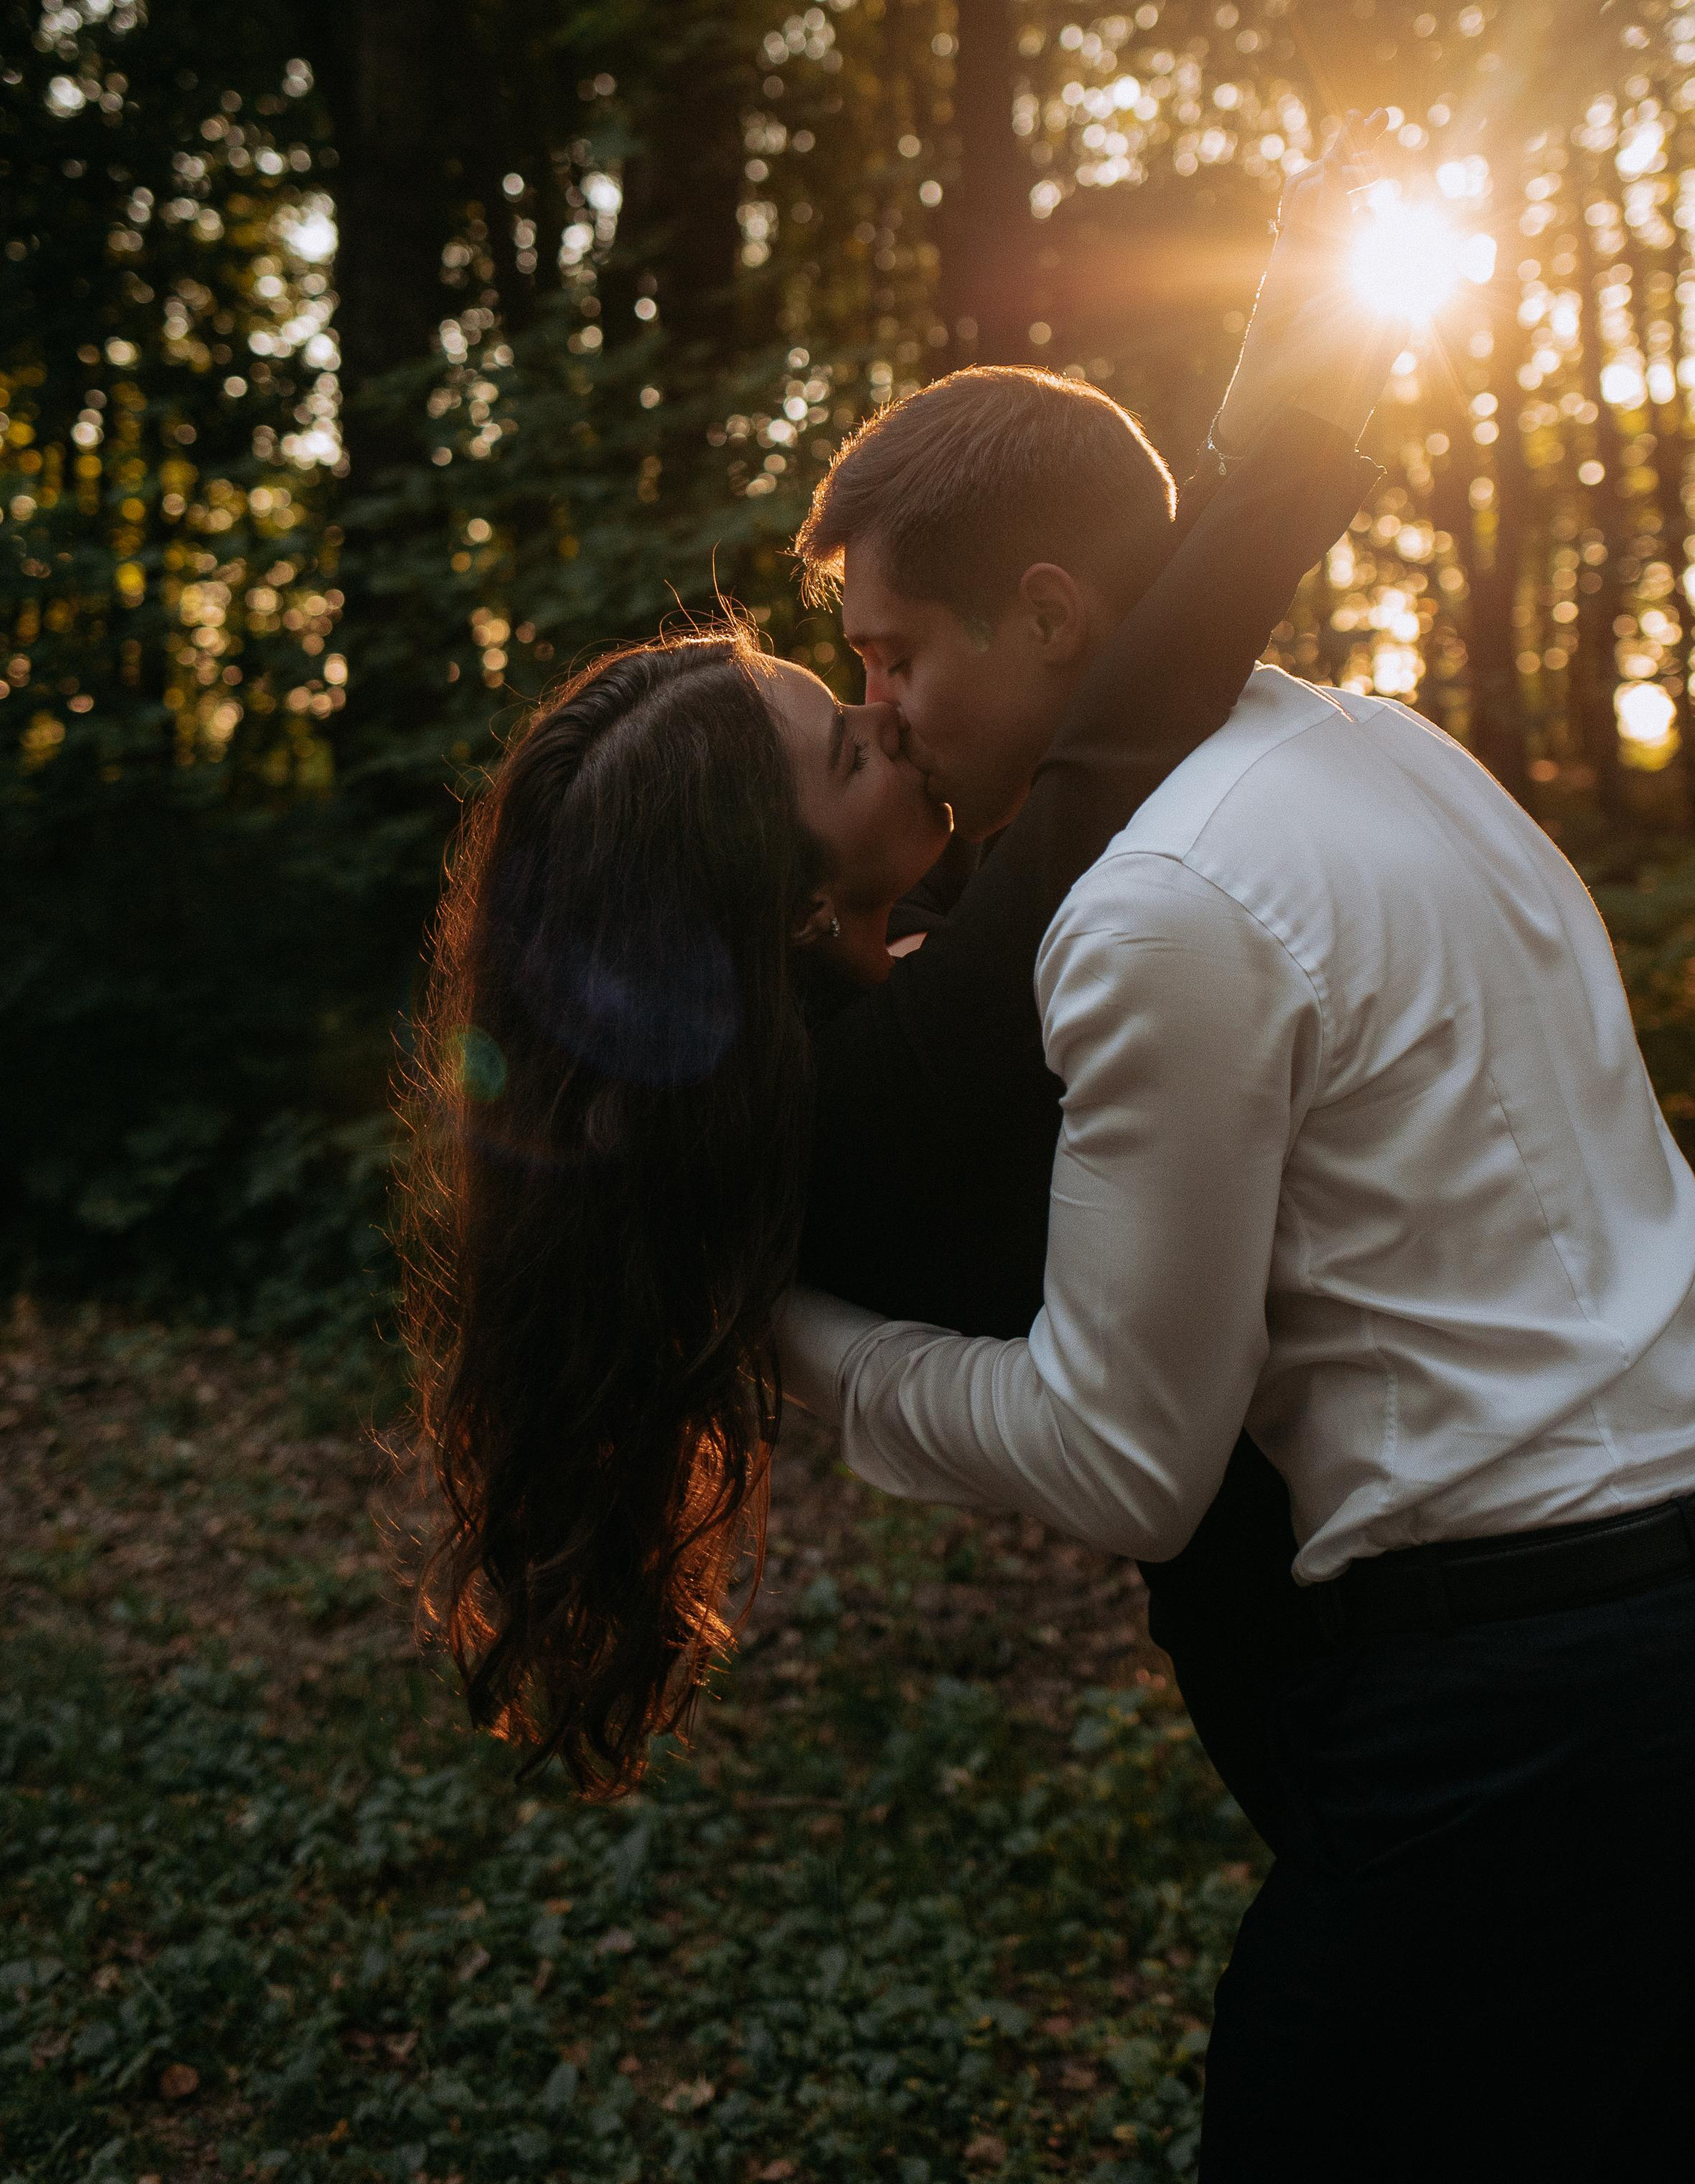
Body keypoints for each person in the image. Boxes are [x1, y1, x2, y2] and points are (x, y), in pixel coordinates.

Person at [780, 362, 1695, 2171]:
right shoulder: (1388, 747)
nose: (881, 704)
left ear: (1053, 616)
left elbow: (1122, 1456)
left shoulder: (1157, 907)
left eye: (895, 653)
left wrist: (796, 1346)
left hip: (1542, 1729)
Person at [396, 161, 1385, 1810]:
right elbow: (1112, 753)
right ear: (776, 900)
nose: (893, 720)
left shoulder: (806, 1066)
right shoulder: (874, 1093)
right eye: (850, 732)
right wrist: (1282, 442)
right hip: (1347, 1679)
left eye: (870, 679)